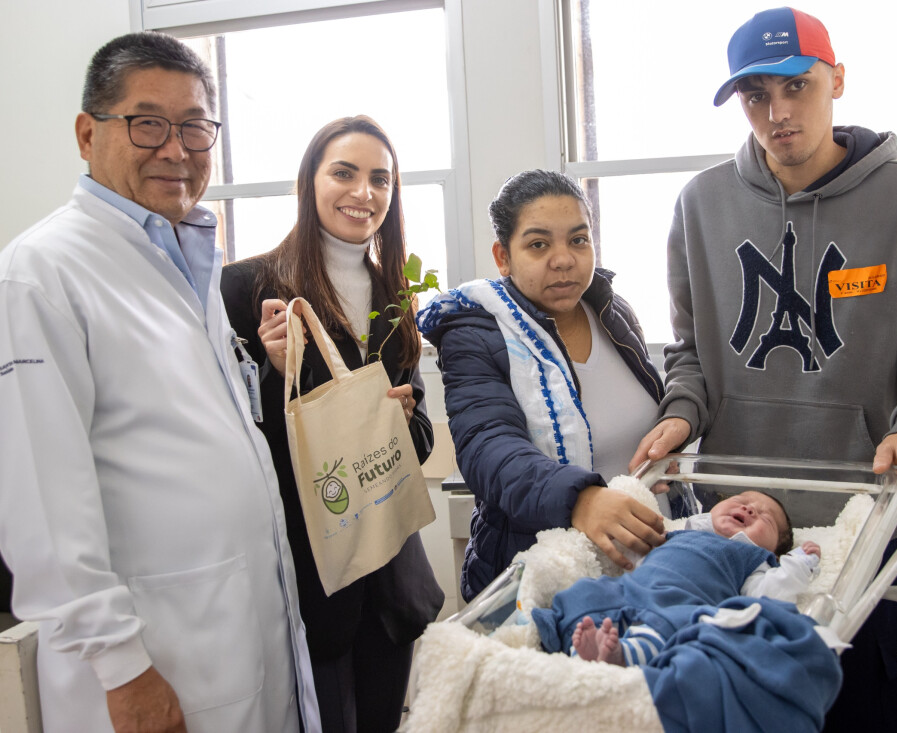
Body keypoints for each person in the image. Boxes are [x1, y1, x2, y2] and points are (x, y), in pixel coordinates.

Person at [630, 8, 897, 732]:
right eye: (757, 95)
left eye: (798, 86)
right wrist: (680, 410)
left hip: (860, 528)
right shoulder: (700, 206)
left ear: (837, 81)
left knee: (866, 713)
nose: (779, 112)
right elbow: (690, 351)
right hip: (735, 531)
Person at [0, 32, 320, 733]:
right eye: (148, 122)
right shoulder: (36, 279)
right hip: (150, 667)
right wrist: (123, 669)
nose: (176, 149)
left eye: (194, 126)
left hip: (237, 636)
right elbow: (40, 508)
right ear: (87, 133)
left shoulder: (183, 261)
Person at [220, 115, 443, 733]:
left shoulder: (395, 292)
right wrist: (270, 373)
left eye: (380, 179)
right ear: (309, 180)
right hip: (306, 579)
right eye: (343, 173)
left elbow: (420, 440)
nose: (363, 193)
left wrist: (400, 422)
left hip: (389, 580)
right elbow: (226, 444)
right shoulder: (246, 288)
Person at [417, 169, 667, 602]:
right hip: (542, 579)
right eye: (538, 244)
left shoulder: (612, 310)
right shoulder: (476, 334)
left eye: (578, 239)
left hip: (648, 568)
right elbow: (488, 446)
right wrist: (581, 500)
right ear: (503, 256)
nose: (564, 259)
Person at [551, 491, 820, 666]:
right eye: (742, 499)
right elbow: (633, 555)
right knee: (585, 593)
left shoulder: (751, 559)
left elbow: (767, 595)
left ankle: (623, 656)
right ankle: (586, 649)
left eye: (766, 518)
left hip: (683, 605)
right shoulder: (676, 532)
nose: (750, 509)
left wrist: (798, 566)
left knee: (672, 628)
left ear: (771, 550)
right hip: (629, 591)